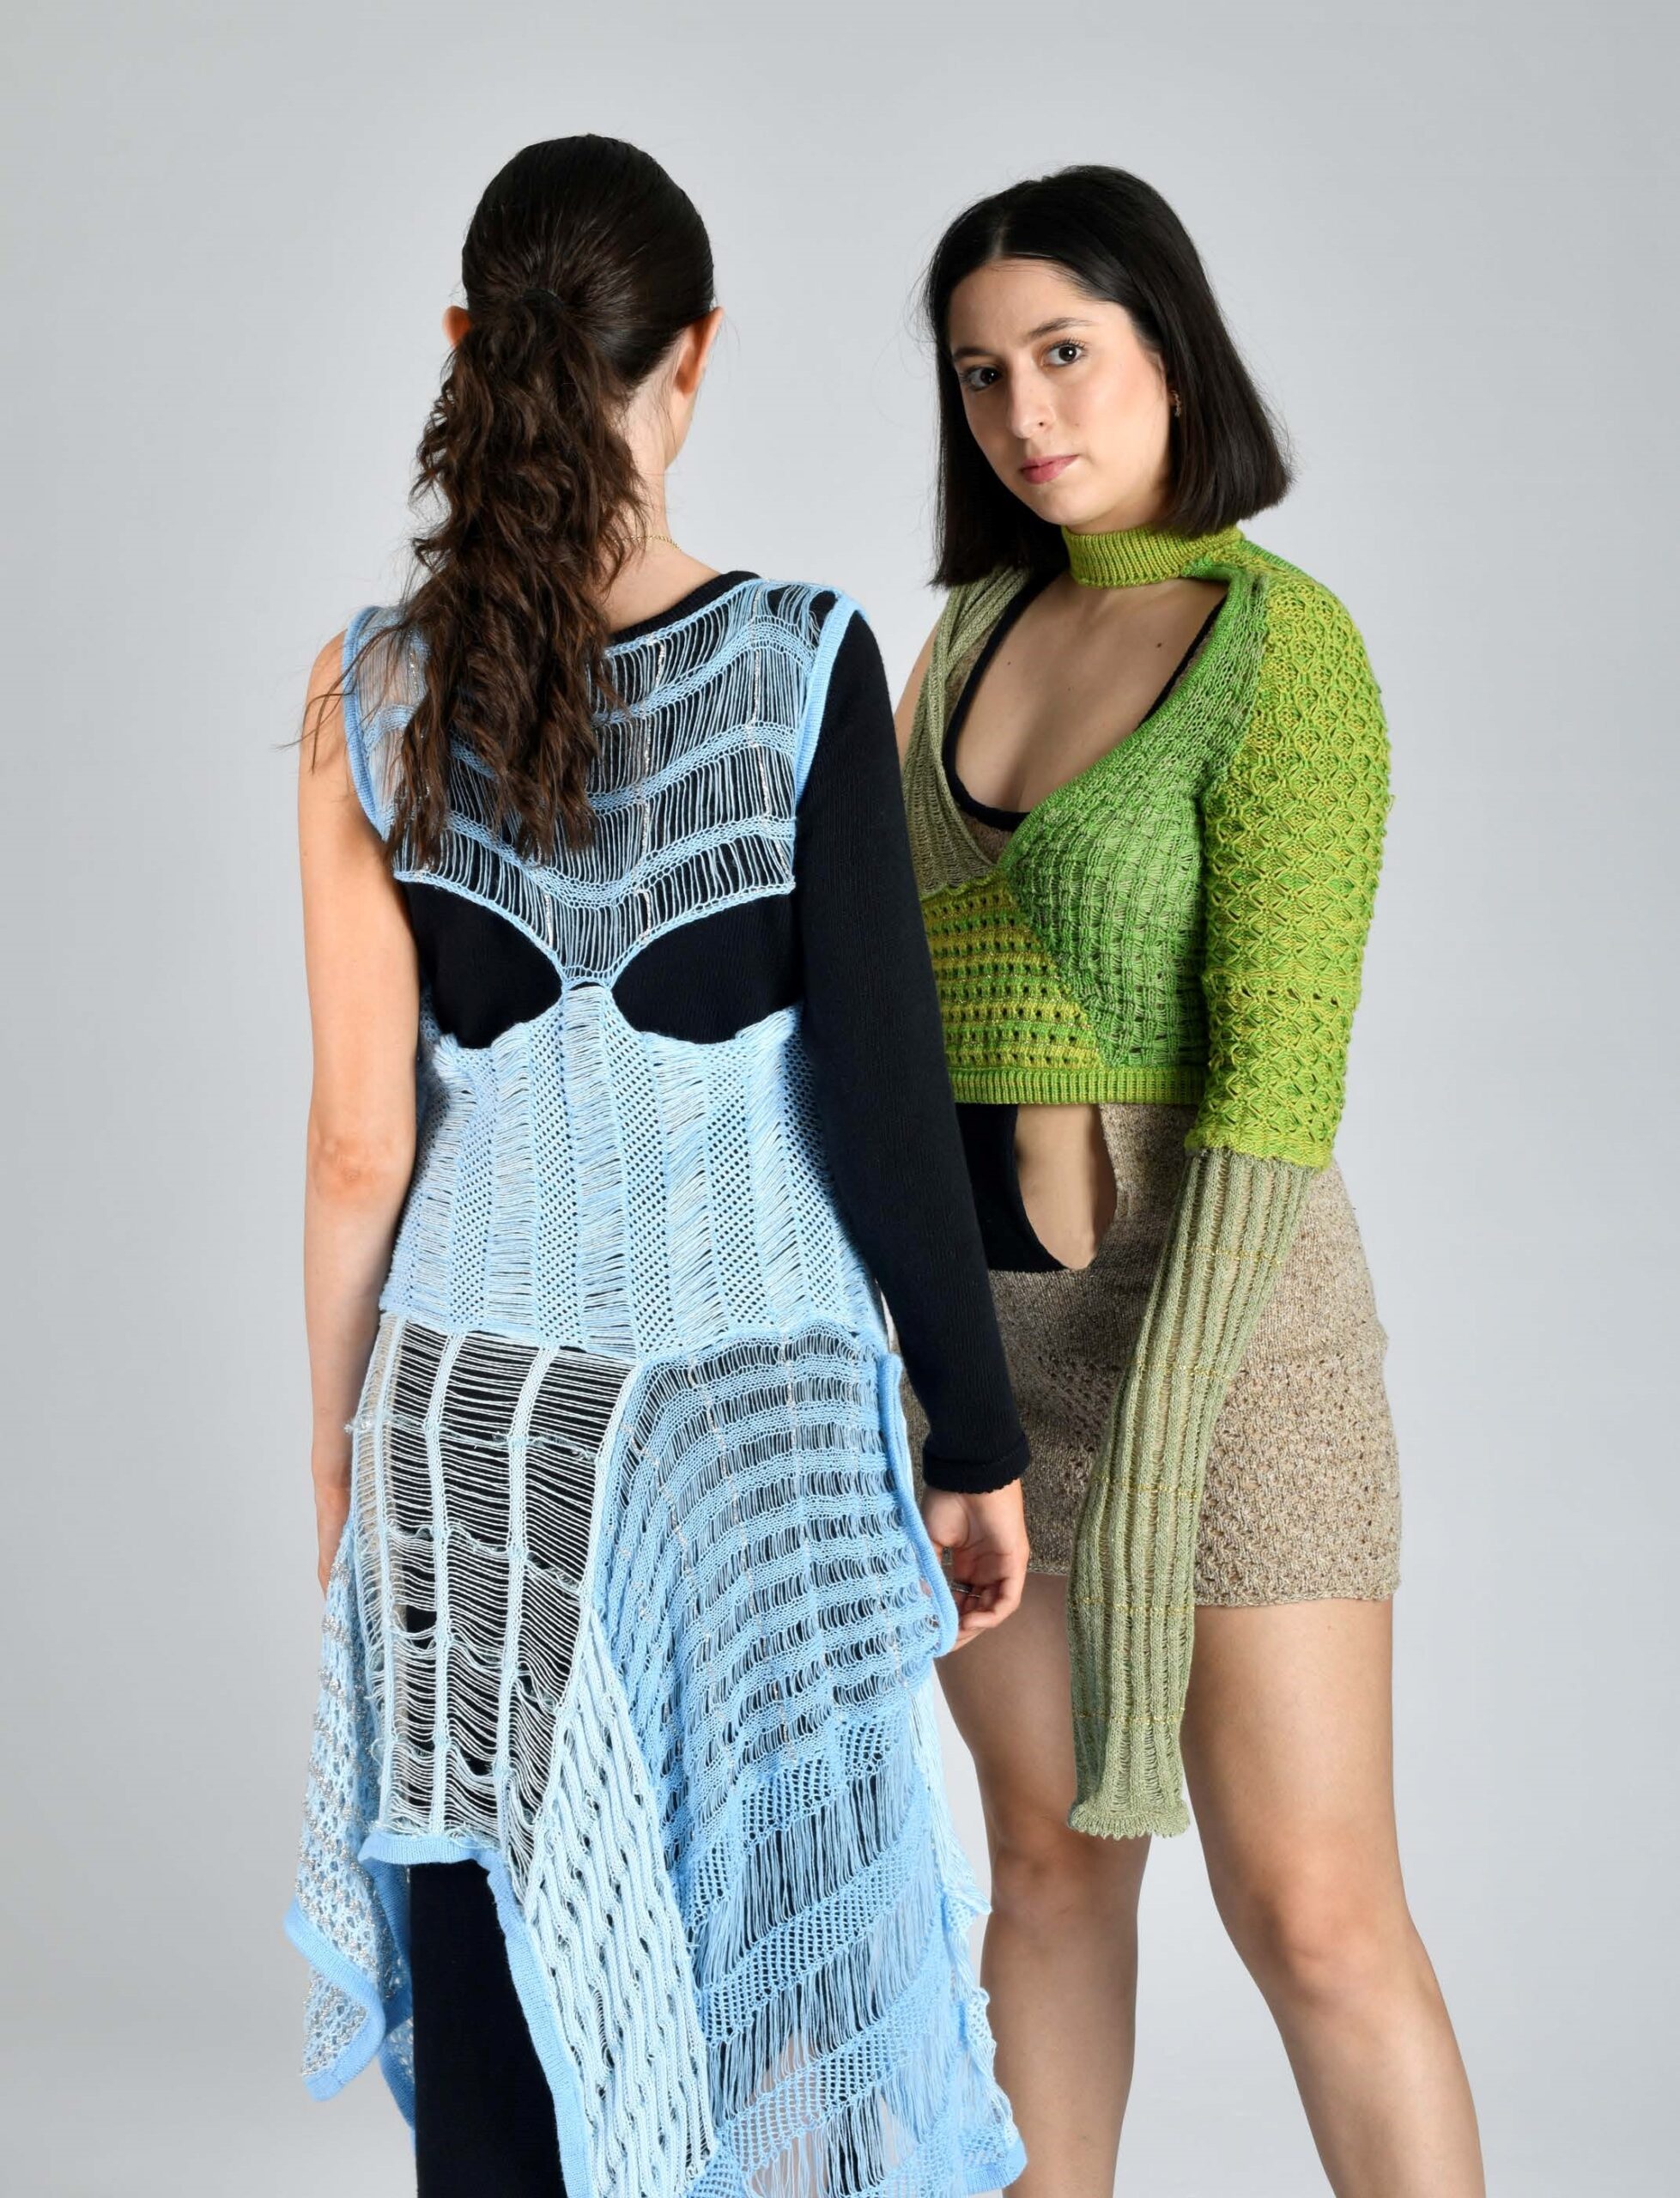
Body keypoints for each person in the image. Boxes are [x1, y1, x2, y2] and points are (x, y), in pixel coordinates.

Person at [285, 134, 1030, 2198]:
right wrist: (972, 1436)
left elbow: (357, 1139)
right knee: (788, 1976)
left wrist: (343, 1456)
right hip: (753, 1429)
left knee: (505, 1969)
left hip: (473, 1426)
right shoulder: (801, 658)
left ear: (466, 344)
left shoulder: (372, 687)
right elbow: (880, 1087)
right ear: (691, 357)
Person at [895, 166, 1484, 2195]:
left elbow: (1273, 1089)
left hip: (1225, 1360)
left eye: (1065, 351)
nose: (1025, 410)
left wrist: (1157, 1438)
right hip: (986, 1371)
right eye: (981, 374)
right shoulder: (967, 631)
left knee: (1314, 1915)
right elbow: (886, 1022)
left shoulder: (1277, 647)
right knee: (1045, 1868)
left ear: (1170, 349)